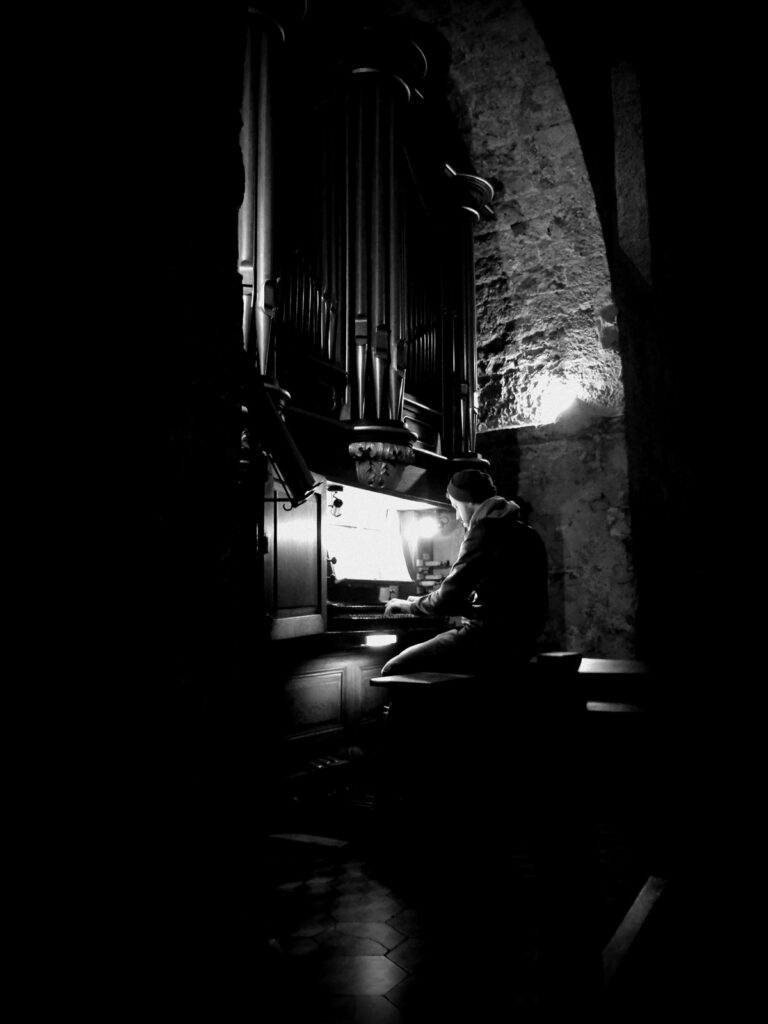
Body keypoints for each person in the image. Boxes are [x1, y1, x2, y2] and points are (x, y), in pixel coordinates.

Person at [380, 468, 548, 677]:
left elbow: (448, 598)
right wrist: (425, 600)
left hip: (486, 641)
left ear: (468, 501)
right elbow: (507, 599)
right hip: (522, 642)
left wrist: (410, 605)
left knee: (393, 668)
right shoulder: (527, 533)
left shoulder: (484, 532)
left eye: (456, 507)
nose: (458, 516)